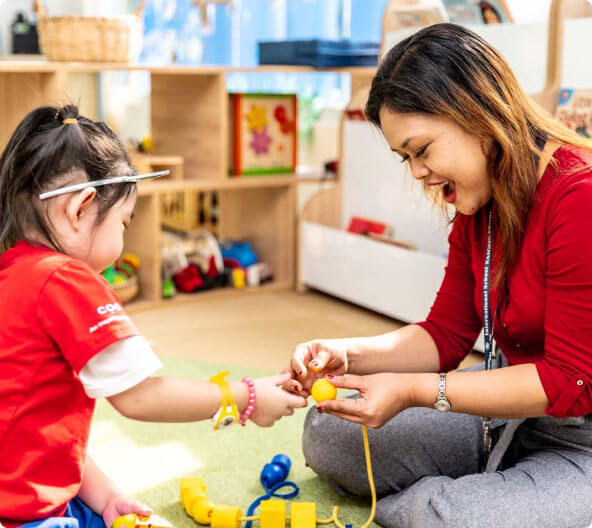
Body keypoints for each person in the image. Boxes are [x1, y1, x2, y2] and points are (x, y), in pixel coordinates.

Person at [287, 23, 592, 528]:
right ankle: (487, 491)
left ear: (476, 115)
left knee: (451, 519)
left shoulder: (578, 198)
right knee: (330, 431)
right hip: (509, 411)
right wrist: (349, 354)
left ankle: (452, 505)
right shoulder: (478, 199)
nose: (417, 173)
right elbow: (445, 335)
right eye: (405, 157)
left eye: (421, 150)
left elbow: (570, 380)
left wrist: (414, 391)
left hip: (579, 432)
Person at [0, 105, 307, 528]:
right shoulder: (66, 280)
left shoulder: (13, 273)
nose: (123, 243)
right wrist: (247, 397)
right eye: (125, 222)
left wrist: (106, 497)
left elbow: (38, 437)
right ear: (81, 208)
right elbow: (141, 397)